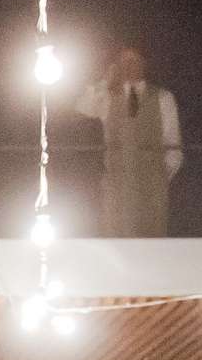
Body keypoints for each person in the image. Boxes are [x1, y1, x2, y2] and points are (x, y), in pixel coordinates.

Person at [74, 47, 183, 236]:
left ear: (144, 64)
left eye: (134, 61)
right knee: (116, 235)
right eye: (124, 62)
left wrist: (162, 176)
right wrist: (105, 81)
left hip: (152, 182)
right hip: (117, 181)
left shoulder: (163, 98)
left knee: (152, 234)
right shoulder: (108, 97)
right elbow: (84, 107)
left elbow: (172, 141)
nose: (130, 66)